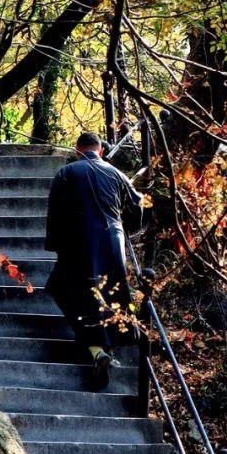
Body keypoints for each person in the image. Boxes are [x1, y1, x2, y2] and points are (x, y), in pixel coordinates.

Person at [45, 131, 144, 390]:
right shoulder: (116, 173)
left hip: (78, 243)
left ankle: (97, 350)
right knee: (110, 294)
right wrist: (127, 230)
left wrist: (55, 245)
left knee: (64, 289)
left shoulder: (66, 173)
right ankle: (103, 349)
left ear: (78, 149)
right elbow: (138, 204)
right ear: (99, 150)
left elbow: (55, 212)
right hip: (113, 242)